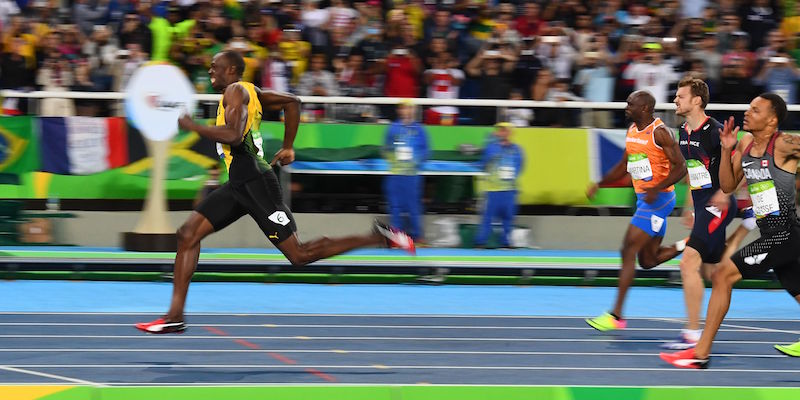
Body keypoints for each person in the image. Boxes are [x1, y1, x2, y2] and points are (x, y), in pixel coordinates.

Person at [135, 51, 415, 334]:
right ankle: (175, 316)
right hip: (239, 183)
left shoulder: (235, 91)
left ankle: (379, 237)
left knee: (299, 255)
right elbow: (292, 102)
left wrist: (193, 126)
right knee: (188, 234)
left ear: (231, 70)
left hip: (255, 182)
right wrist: (288, 145)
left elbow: (234, 135)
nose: (210, 71)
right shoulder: (252, 92)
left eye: (214, 67)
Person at [661, 93, 800, 368]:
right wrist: (726, 150)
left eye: (756, 110)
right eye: (749, 108)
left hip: (784, 234)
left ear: (772, 120)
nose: (748, 112)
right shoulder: (746, 146)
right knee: (796, 287)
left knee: (723, 275)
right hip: (770, 234)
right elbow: (726, 185)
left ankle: (700, 353)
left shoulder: (784, 143)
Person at [585, 90, 688, 331]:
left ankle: (616, 316)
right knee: (648, 260)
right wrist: (600, 183)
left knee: (628, 249)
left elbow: (681, 167)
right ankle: (689, 243)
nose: (626, 107)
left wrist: (657, 188)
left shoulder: (660, 133)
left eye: (630, 104)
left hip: (658, 200)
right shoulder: (632, 130)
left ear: (645, 108)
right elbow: (624, 165)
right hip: (645, 200)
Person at [661, 77, 737, 349]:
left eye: (680, 96)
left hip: (718, 206)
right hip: (701, 206)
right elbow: (693, 171)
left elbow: (737, 166)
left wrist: (726, 194)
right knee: (713, 272)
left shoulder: (715, 131)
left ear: (696, 101)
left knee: (687, 264)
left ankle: (692, 334)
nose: (675, 100)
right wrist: (689, 206)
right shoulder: (683, 131)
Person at [383, 99, 429, 242]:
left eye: (410, 108)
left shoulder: (420, 129)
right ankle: (397, 238)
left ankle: (417, 236)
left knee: (413, 206)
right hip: (396, 174)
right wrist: (394, 161)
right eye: (404, 108)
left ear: (414, 110)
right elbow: (386, 148)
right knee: (395, 206)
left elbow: (425, 150)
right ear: (399, 110)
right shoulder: (392, 128)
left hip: (412, 175)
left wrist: (415, 162)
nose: (407, 111)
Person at [474, 122, 524, 248]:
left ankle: (506, 243)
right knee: (487, 217)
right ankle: (480, 242)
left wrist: (510, 180)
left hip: (509, 190)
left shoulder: (517, 150)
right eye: (499, 130)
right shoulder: (491, 147)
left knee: (508, 217)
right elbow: (484, 163)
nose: (501, 132)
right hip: (493, 190)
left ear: (510, 132)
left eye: (504, 130)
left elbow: (520, 166)